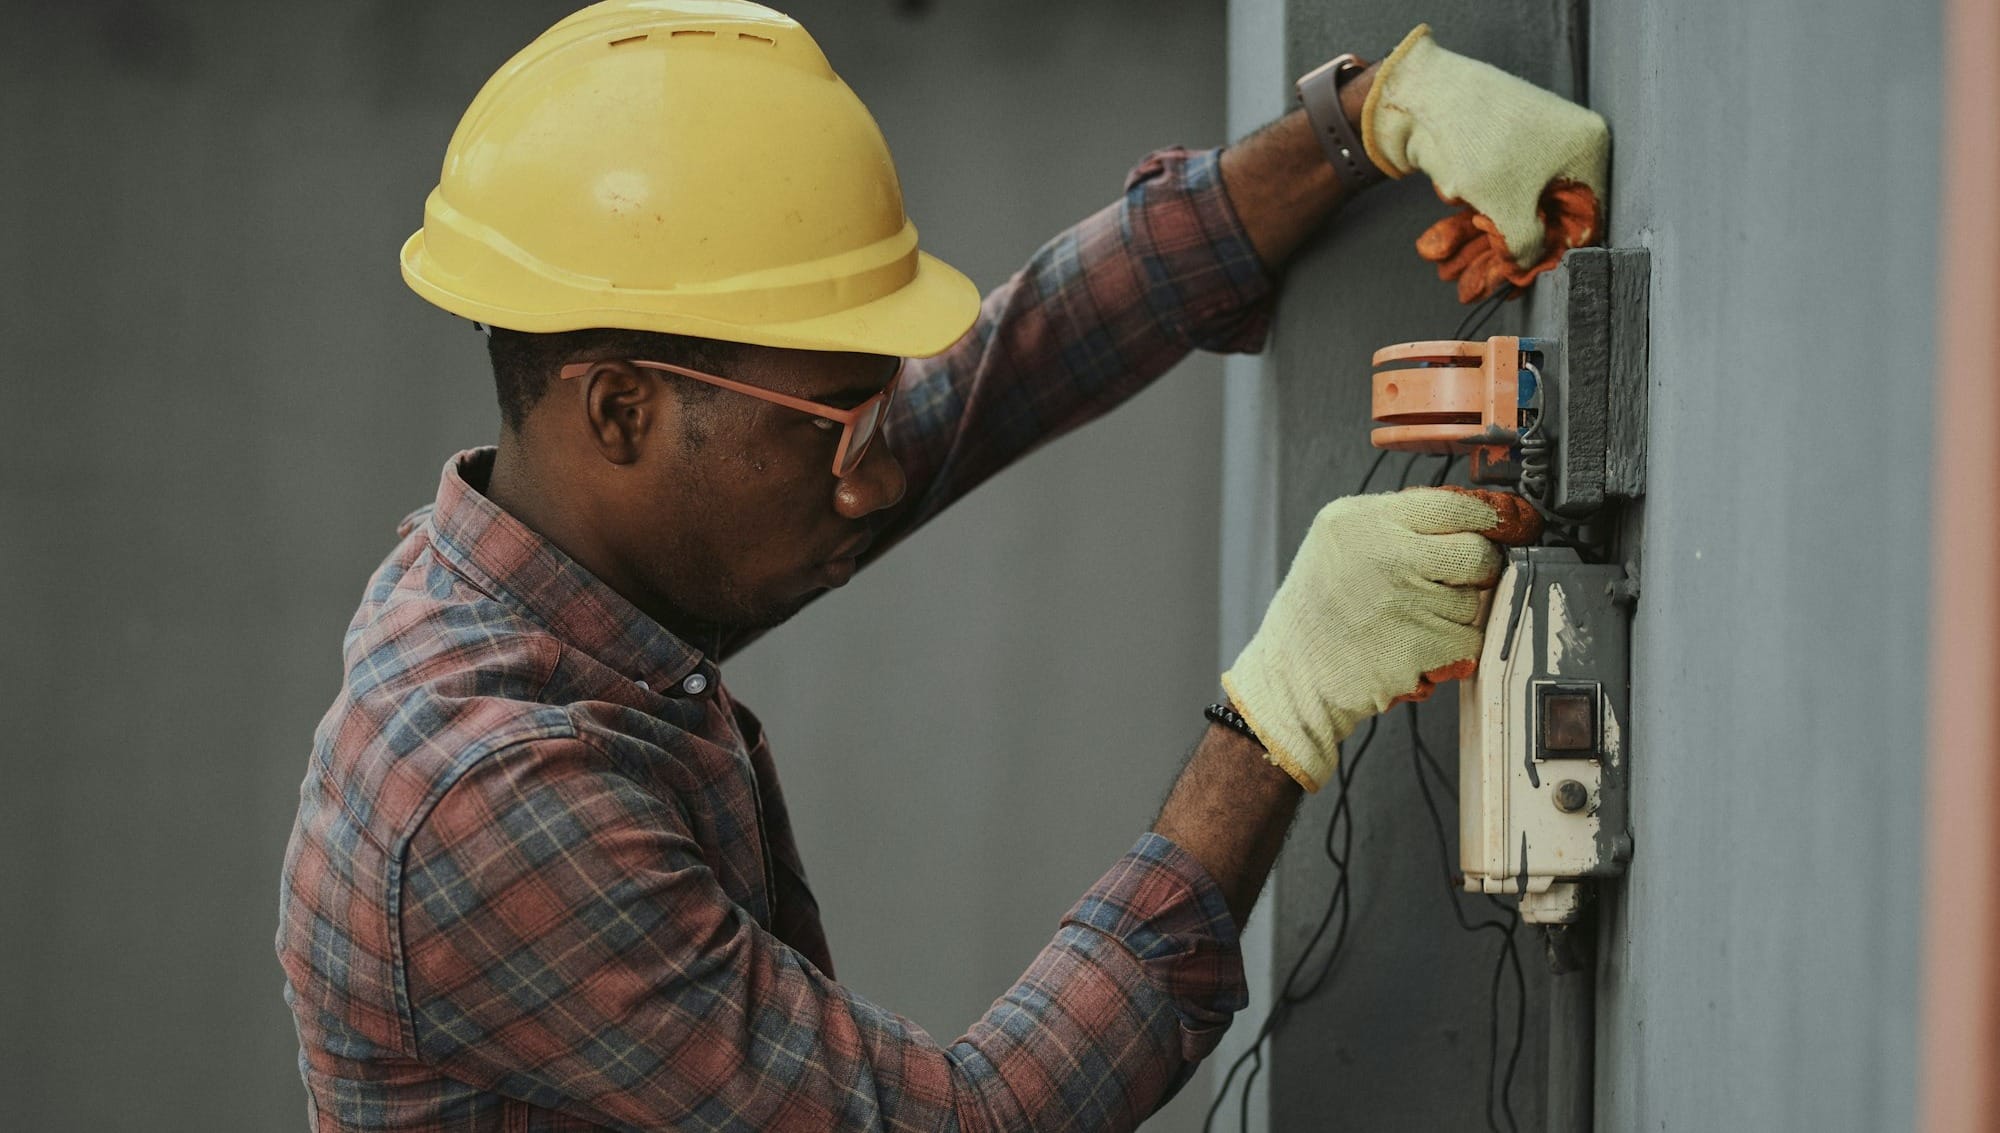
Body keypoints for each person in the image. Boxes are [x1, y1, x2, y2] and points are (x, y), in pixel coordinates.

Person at [276, 2, 1608, 1129]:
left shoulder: (541, 570)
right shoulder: (489, 797)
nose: (866, 471)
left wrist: (1364, 125)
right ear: (621, 410)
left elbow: (1000, 372)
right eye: (828, 426)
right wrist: (1276, 715)